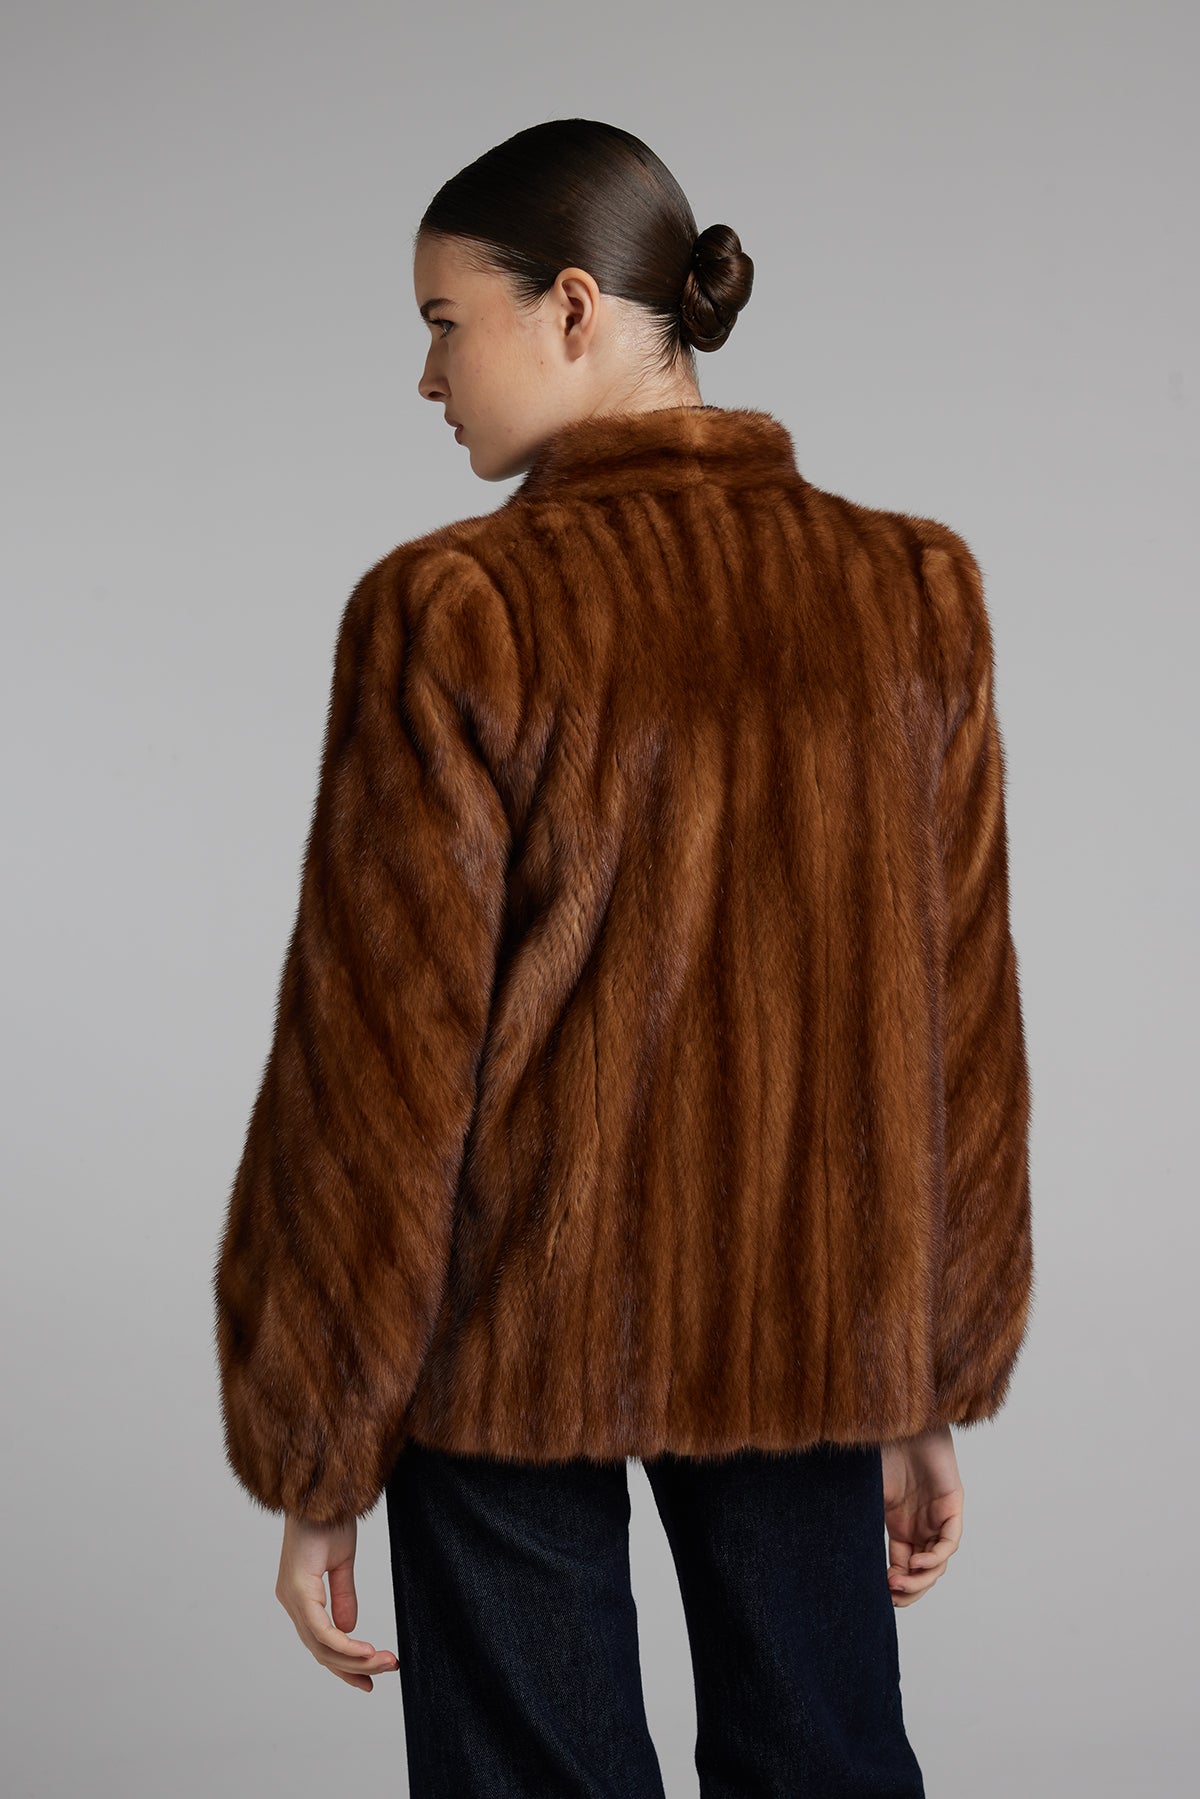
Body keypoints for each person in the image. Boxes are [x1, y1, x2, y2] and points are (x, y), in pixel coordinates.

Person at [212, 117, 1033, 1797]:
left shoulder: (454, 612)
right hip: (808, 1332)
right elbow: (959, 1024)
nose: (427, 377)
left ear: (573, 307)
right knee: (826, 1767)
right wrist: (923, 1379)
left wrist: (320, 1451)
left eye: (445, 323)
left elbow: (377, 1073)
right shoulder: (910, 590)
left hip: (507, 1343)